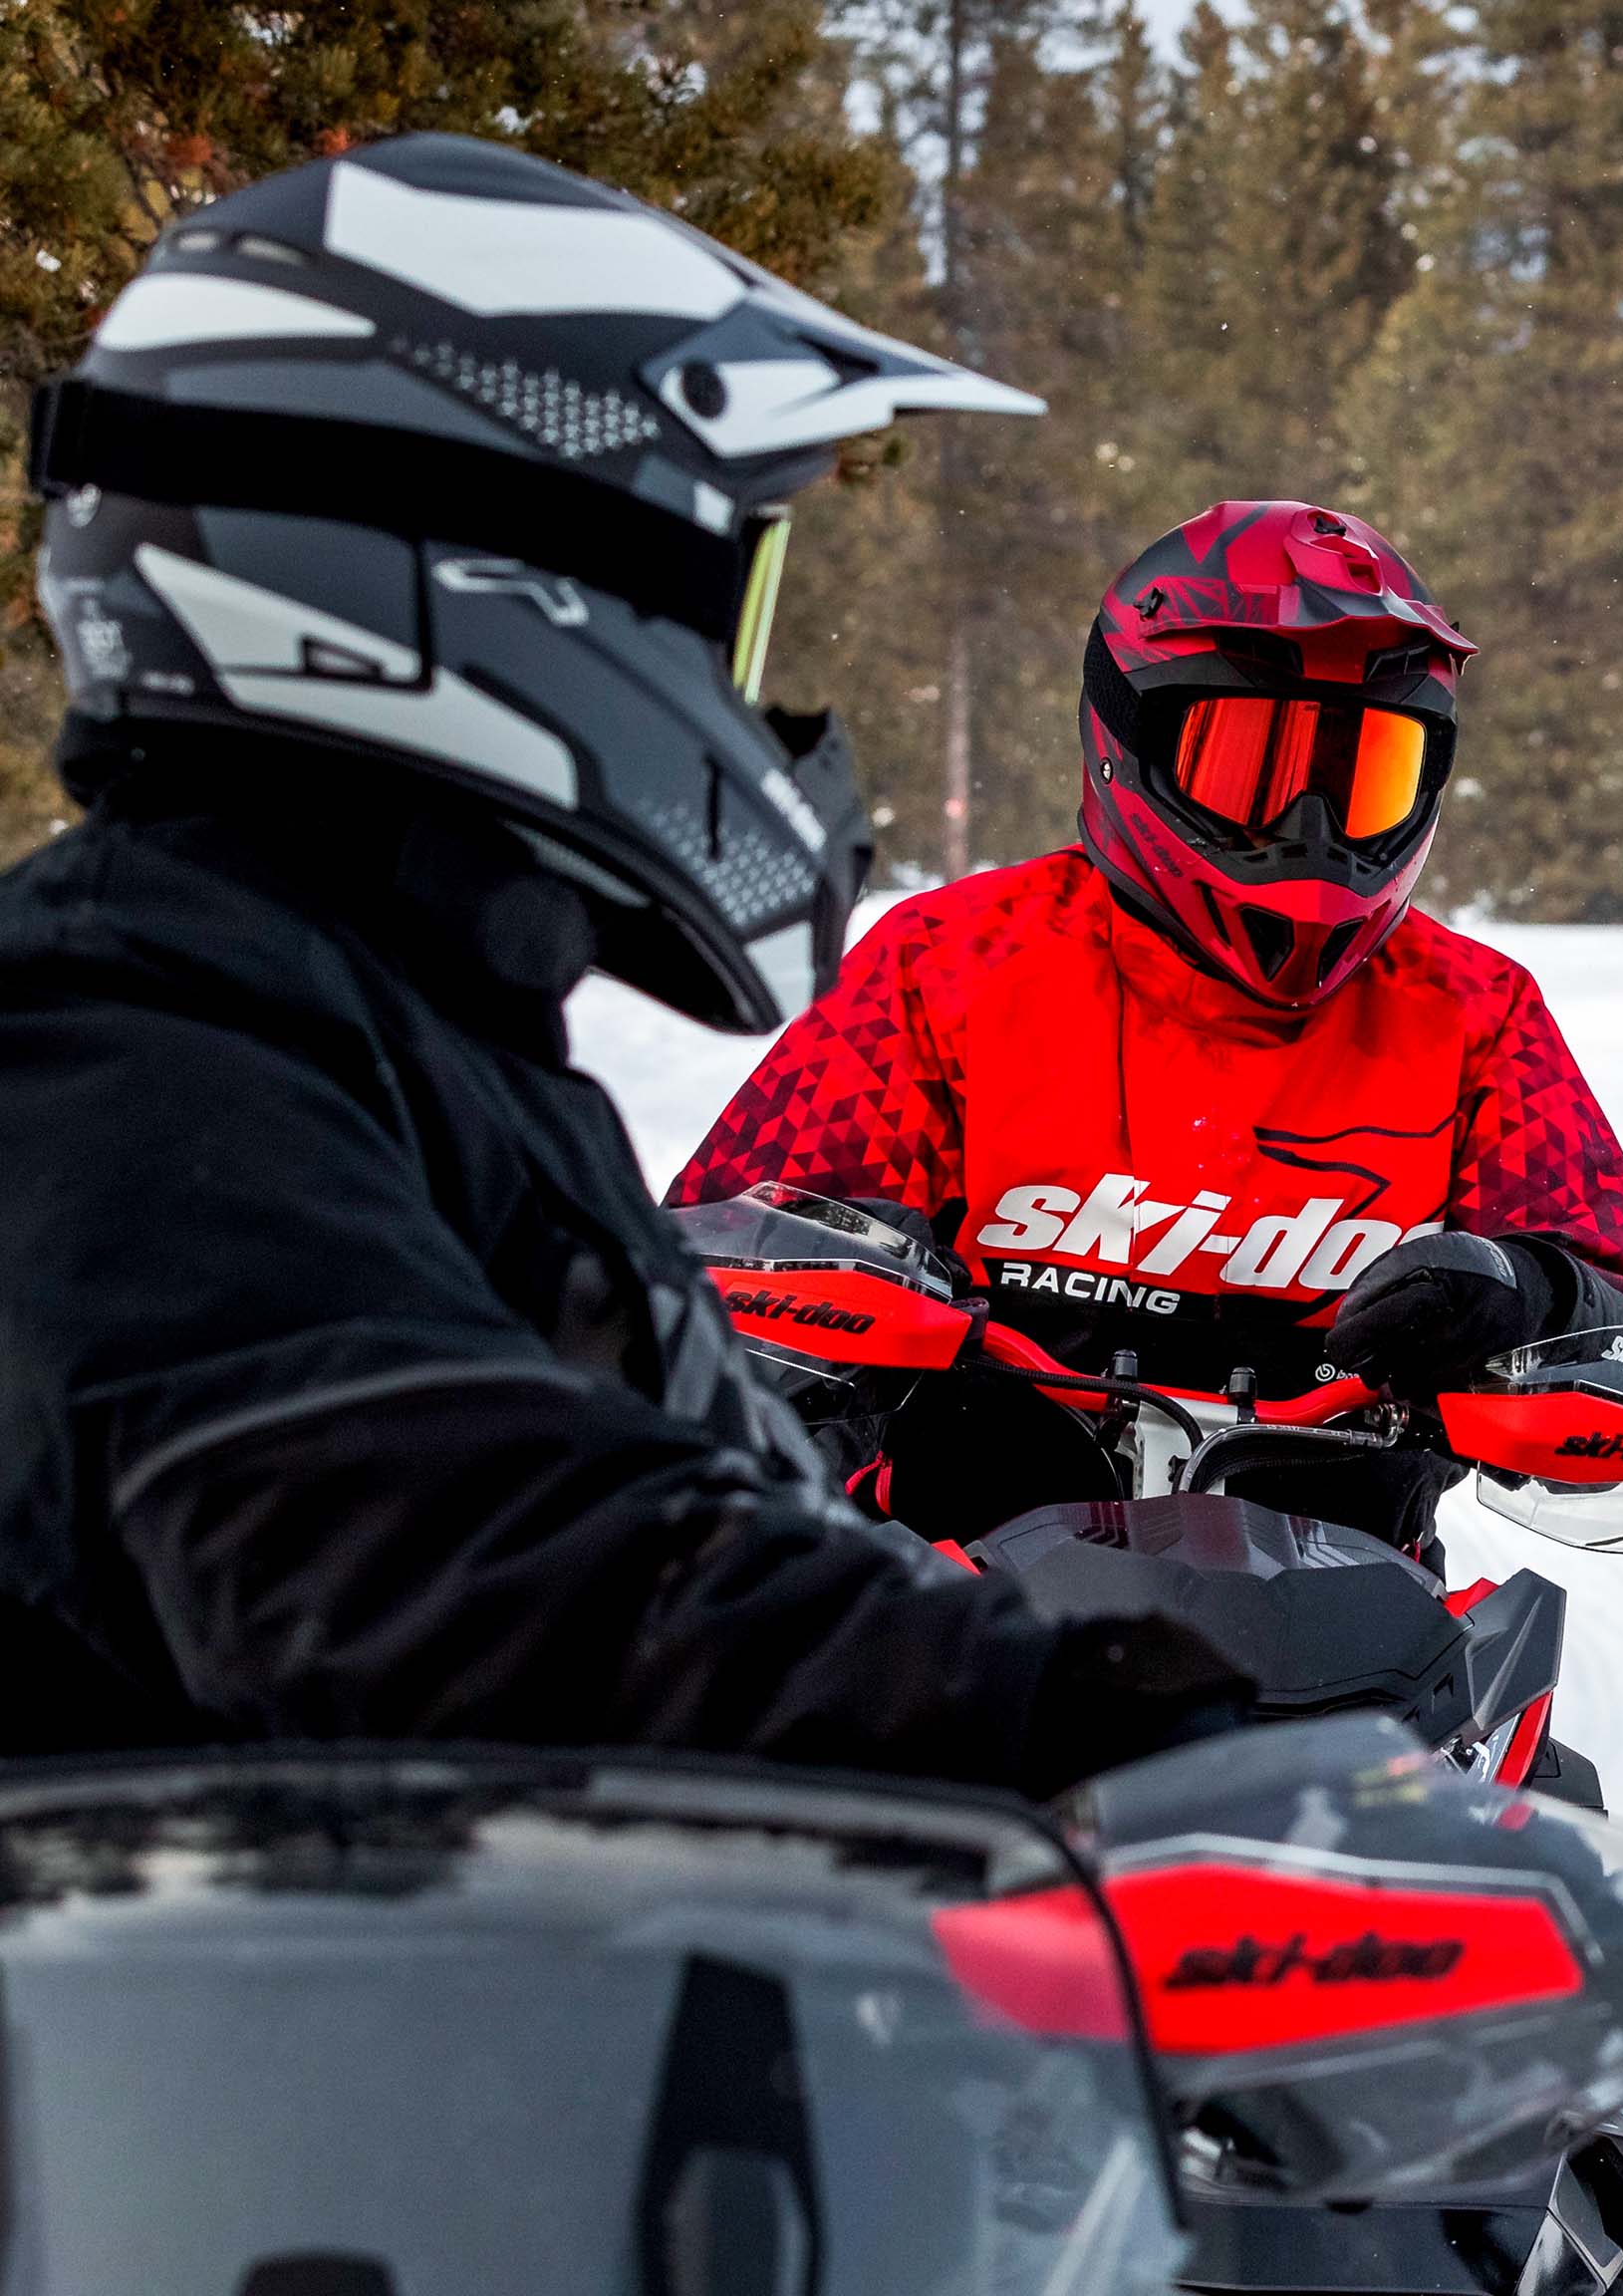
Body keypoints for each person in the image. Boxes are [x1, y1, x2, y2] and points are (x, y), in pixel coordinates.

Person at [0, 137, 1251, 1787]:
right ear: (493, 574)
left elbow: (664, 1501)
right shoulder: (111, 1045)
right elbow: (443, 1553)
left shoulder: (401, 1020)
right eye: (722, 604)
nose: (760, 704)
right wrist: (1025, 1697)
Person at [666, 500, 1623, 1558]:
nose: (1308, 830)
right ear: (1128, 740)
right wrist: (831, 1331)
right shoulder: (952, 966)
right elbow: (697, 1278)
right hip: (955, 1604)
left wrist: (1527, 1301)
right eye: (1248, 764)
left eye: (1361, 780)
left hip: (1350, 1625)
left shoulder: (1472, 1015)